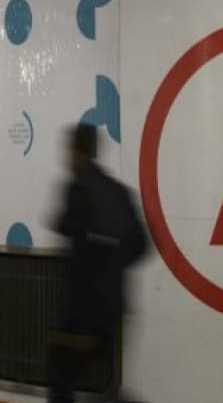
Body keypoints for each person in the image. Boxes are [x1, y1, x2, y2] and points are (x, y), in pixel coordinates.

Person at [48, 124, 148, 403]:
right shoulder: (118, 192)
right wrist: (114, 266)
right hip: (114, 308)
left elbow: (69, 229)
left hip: (82, 311)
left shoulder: (78, 188)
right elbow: (141, 245)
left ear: (76, 151)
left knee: (62, 379)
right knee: (106, 386)